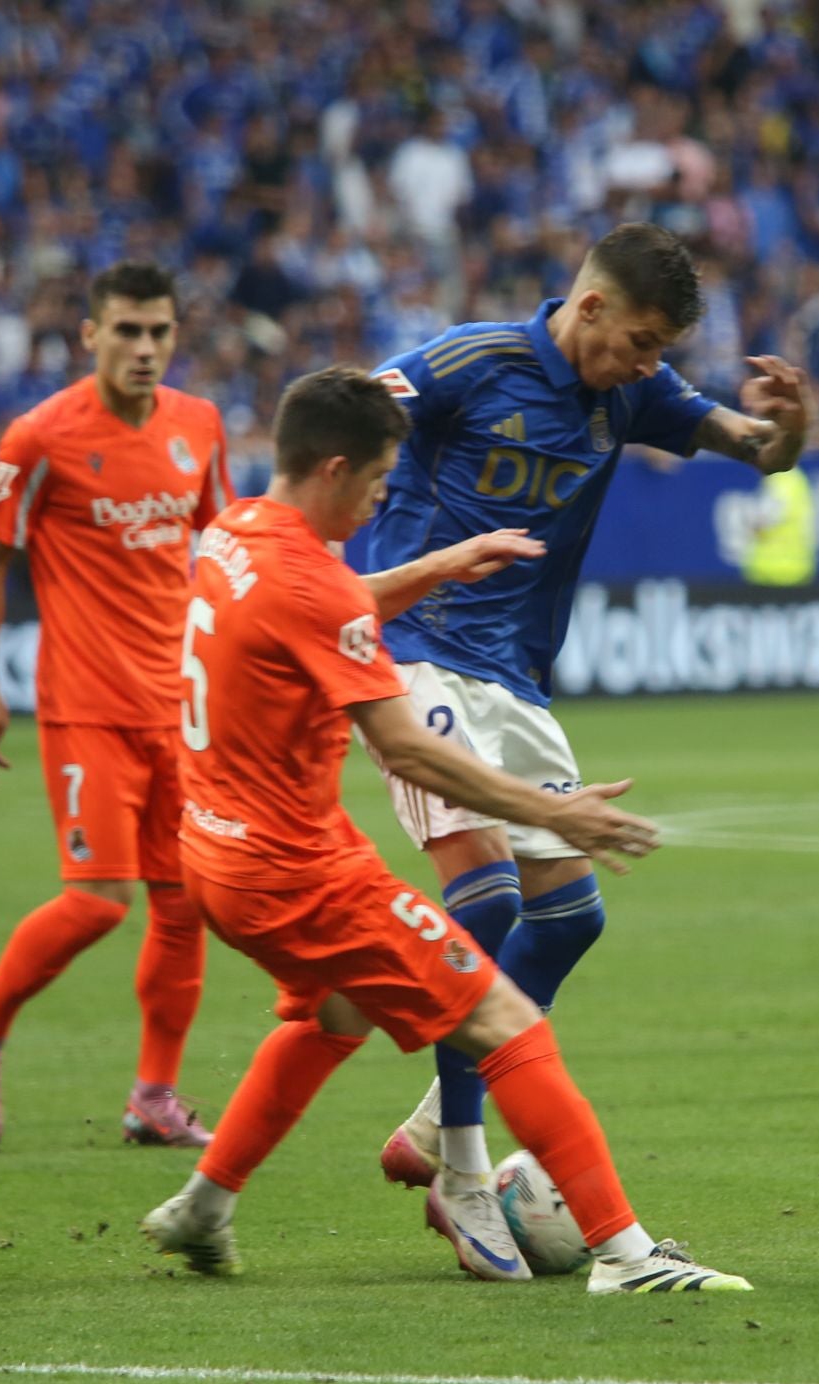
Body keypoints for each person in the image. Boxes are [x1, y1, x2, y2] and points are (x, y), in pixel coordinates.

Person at [140, 366, 750, 1294]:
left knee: (333, 1013)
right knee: (502, 1018)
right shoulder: (316, 584)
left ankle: (205, 1203)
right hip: (300, 874)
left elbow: (317, 611)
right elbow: (410, 750)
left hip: (215, 855)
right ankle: (626, 1256)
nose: (387, 493)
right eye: (381, 478)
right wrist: (556, 810)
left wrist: (435, 565)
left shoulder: (235, 533)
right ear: (337, 467)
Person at [357, 224, 811, 1207]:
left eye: (662, 351)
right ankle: (465, 1173)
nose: (649, 365)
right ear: (591, 305)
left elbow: (764, 453)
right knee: (487, 899)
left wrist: (796, 421)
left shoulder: (634, 394)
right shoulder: (473, 361)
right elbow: (345, 409)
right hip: (416, 651)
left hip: (515, 677)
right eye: (641, 341)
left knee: (568, 913)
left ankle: (433, 1118)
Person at [0, 261, 232, 1148]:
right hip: (85, 705)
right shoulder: (41, 437)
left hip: (173, 708)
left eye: (159, 332)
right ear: (90, 335)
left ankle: (154, 1092)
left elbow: (220, 549)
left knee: (184, 904)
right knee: (100, 900)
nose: (144, 349)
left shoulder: (200, 426)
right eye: (126, 331)